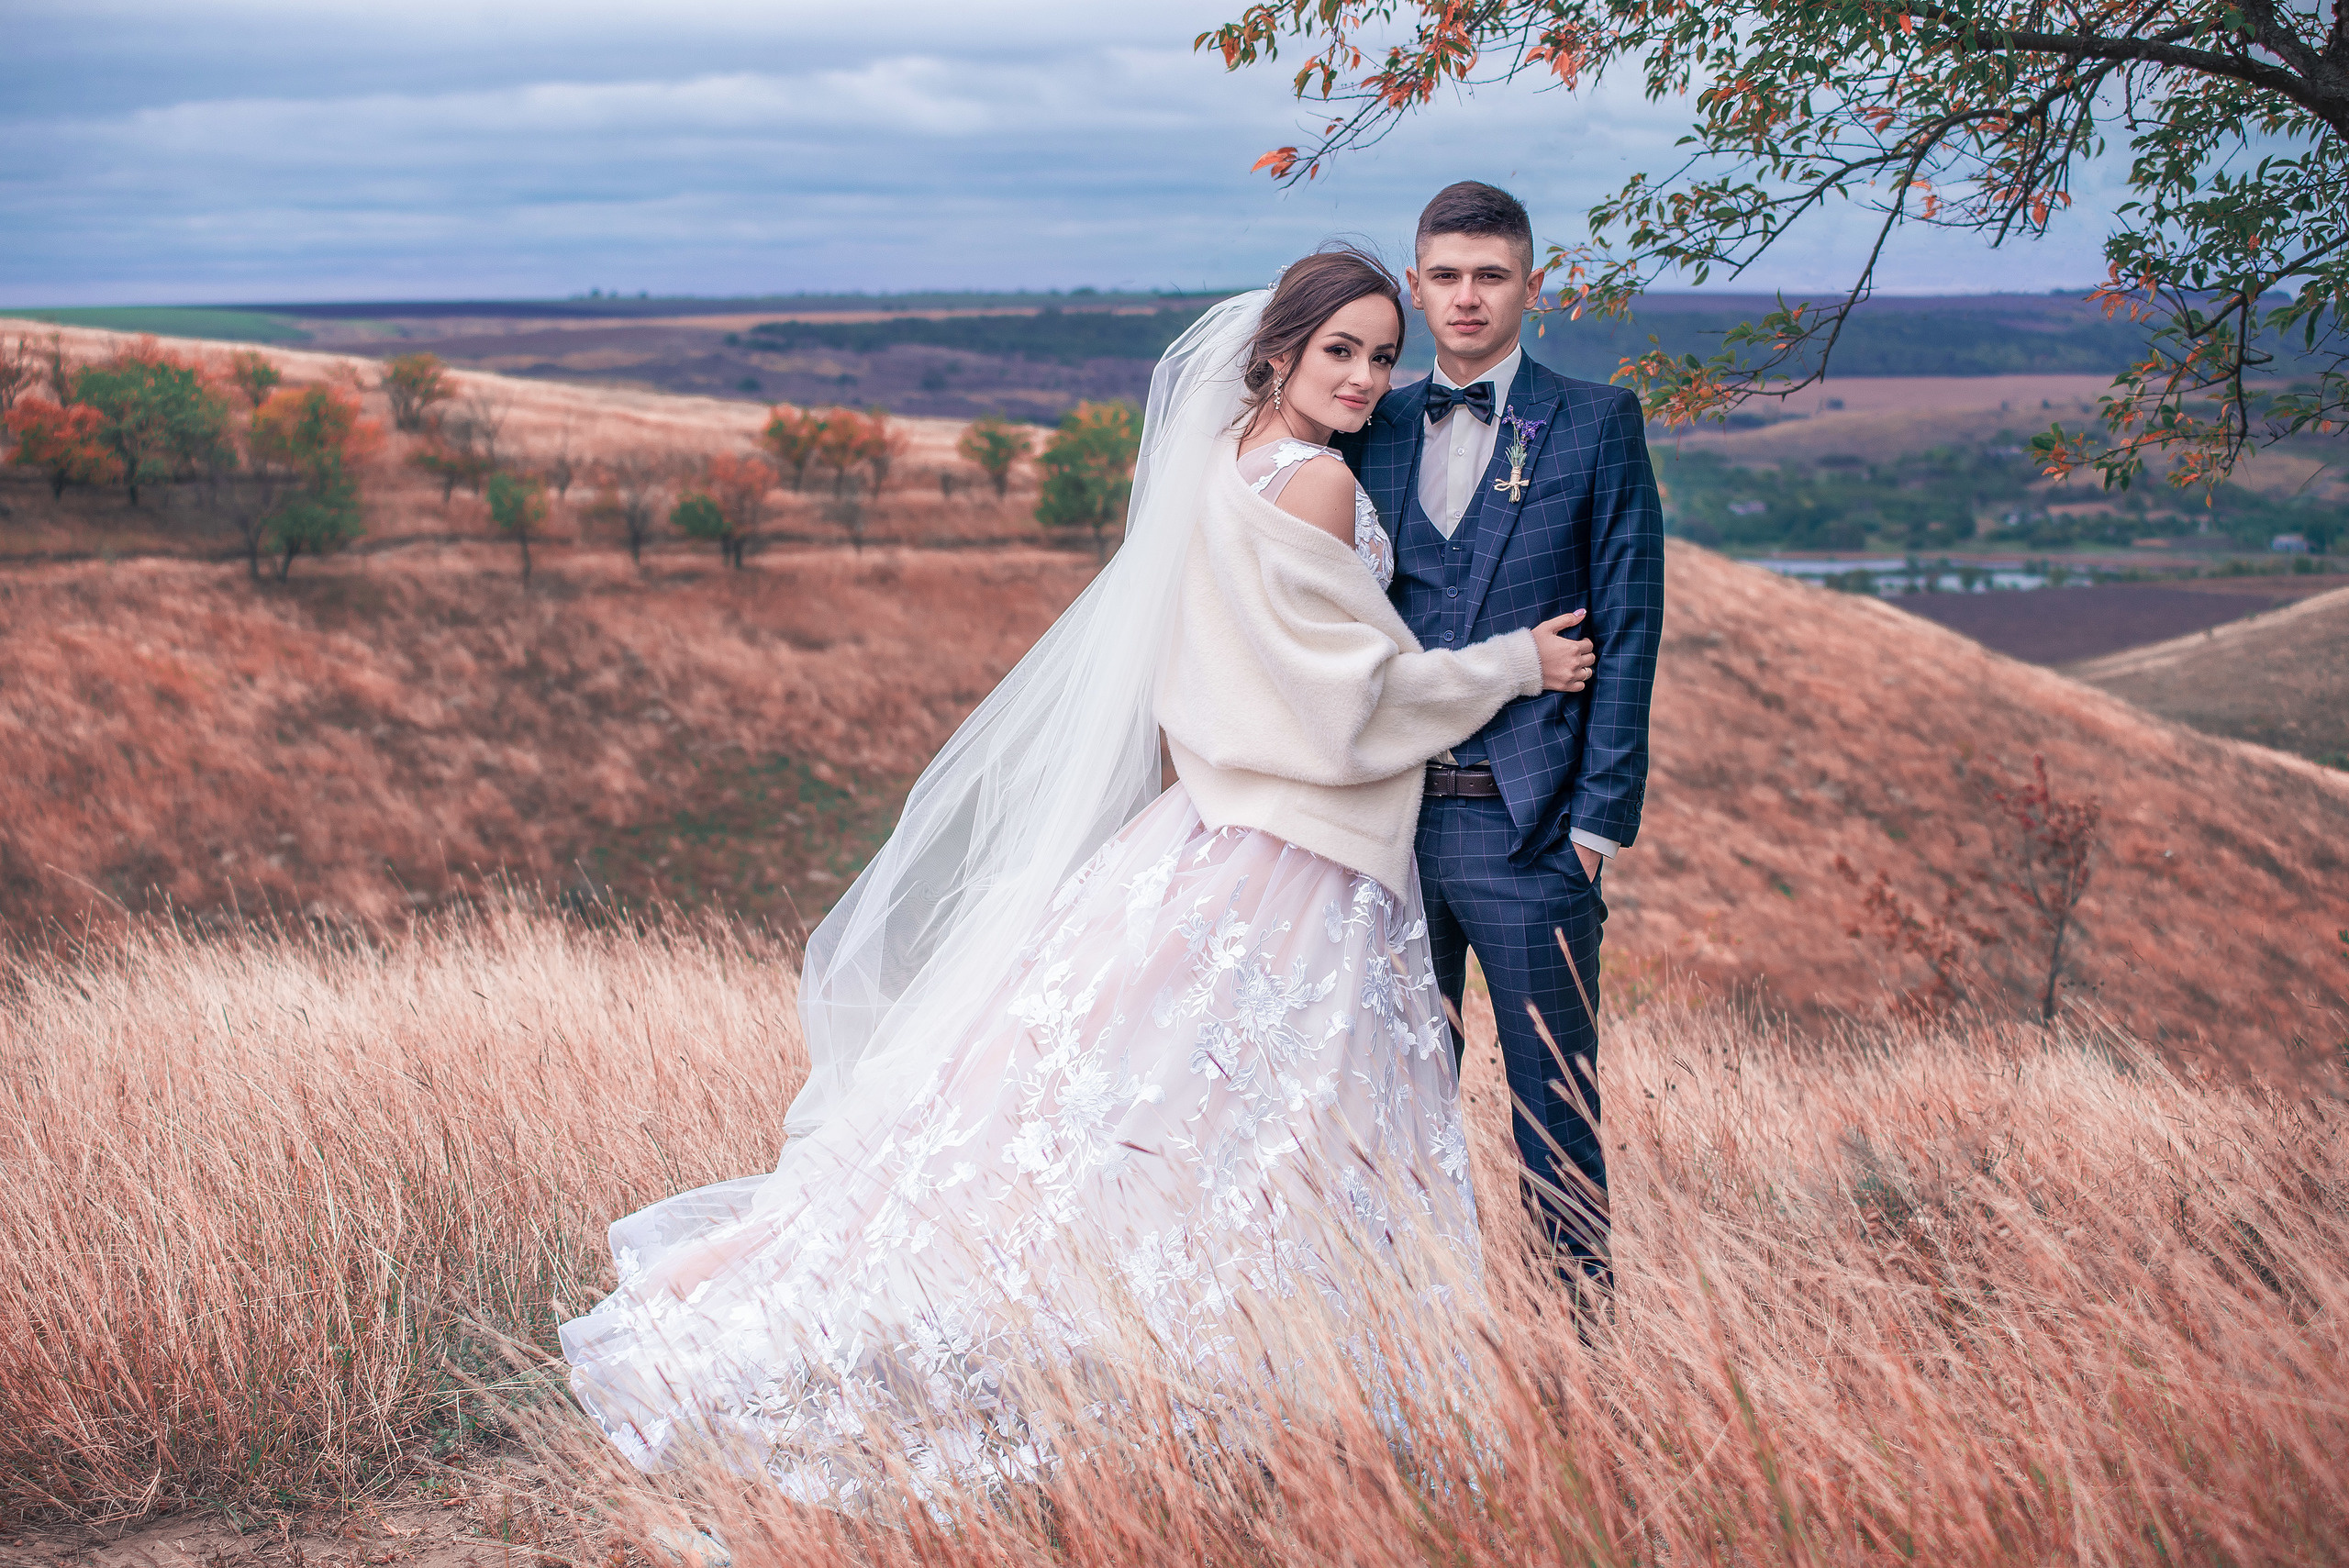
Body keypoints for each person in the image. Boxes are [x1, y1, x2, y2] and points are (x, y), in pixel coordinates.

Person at [560, 248, 1599, 1501]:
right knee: (1263, 1135)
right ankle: (1264, 1397)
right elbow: (1353, 699)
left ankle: (1182, 1369)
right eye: (1344, 350)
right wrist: (1513, 666)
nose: (1369, 377)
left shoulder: (1216, 465)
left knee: (1128, 1118)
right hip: (1297, 858)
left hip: (1202, 831)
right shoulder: (1316, 486)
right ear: (1278, 352)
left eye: (1383, 355)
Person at [1337, 183, 1665, 1284]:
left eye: (1489, 275)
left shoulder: (1596, 422)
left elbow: (1628, 626)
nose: (1466, 297)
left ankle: (1584, 1366)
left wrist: (1596, 828)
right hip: (1383, 830)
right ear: (1416, 285)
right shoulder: (1366, 423)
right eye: (1444, 275)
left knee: (1555, 1116)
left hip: (1531, 837)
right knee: (1389, 1107)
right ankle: (1411, 1353)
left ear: (1531, 284)